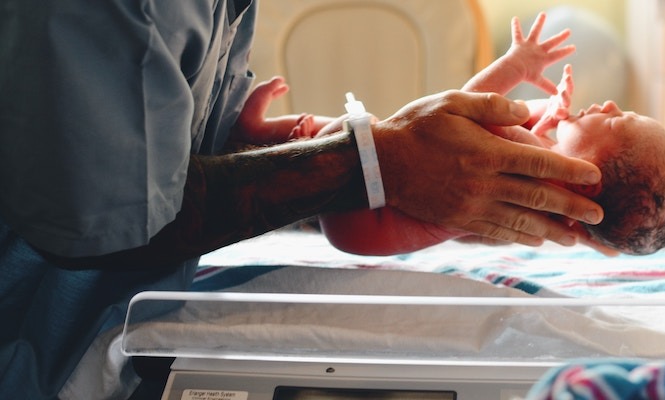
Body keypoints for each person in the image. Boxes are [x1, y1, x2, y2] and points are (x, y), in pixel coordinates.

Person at [0, 4, 605, 399]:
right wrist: (371, 160)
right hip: (38, 336)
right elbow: (114, 217)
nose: (604, 108)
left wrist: (224, 143)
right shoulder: (113, 15)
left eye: (619, 124)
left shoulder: (540, 177)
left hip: (113, 306)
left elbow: (132, 156)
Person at [239, 13, 665, 256]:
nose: (607, 105)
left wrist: (518, 65)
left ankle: (258, 136)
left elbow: (459, 116)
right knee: (344, 133)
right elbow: (600, 240)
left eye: (614, 121)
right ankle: (264, 136)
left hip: (367, 214)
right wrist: (553, 120)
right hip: (365, 228)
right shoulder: (550, 201)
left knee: (348, 131)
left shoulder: (528, 160)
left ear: (589, 178)